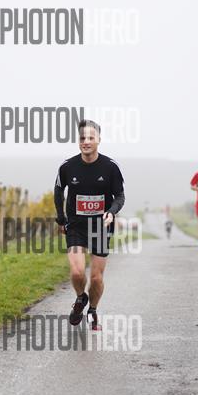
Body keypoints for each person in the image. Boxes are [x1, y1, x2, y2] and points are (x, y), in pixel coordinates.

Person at [54, 119, 125, 331]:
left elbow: (119, 196)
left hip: (101, 227)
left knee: (95, 277)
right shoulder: (67, 166)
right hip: (76, 225)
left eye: (90, 138)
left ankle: (93, 310)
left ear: (99, 140)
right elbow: (58, 191)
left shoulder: (110, 167)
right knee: (77, 272)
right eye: (82, 138)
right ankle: (80, 298)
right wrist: (61, 218)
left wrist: (111, 212)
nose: (86, 141)